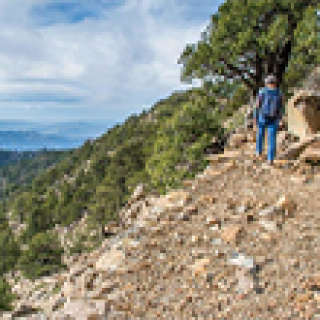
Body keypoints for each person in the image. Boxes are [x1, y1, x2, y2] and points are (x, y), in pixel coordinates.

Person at [253, 75, 285, 166]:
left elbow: (281, 107)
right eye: (269, 82)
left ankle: (270, 159)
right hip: (263, 117)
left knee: (272, 138)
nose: (271, 84)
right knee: (260, 135)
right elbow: (257, 105)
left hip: (273, 118)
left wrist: (281, 119)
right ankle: (259, 151)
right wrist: (255, 116)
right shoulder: (262, 91)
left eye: (272, 82)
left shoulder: (279, 93)